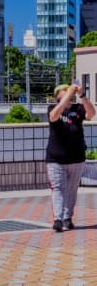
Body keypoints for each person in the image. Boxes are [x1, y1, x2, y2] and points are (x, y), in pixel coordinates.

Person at [47, 82, 95, 231]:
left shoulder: (77, 109)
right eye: (64, 96)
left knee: (72, 189)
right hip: (56, 159)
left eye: (69, 96)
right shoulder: (53, 109)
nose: (68, 99)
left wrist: (82, 95)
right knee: (58, 188)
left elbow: (91, 114)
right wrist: (69, 92)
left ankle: (67, 217)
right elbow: (54, 116)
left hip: (76, 158)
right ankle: (58, 219)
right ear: (58, 98)